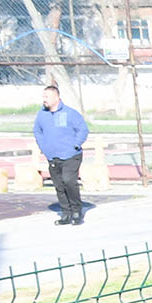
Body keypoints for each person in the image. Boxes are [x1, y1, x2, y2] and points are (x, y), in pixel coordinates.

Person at [33, 84, 90, 226]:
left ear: (57, 97)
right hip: (52, 156)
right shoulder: (41, 115)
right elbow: (37, 131)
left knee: (69, 181)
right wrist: (44, 147)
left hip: (71, 155)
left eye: (47, 96)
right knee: (59, 185)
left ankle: (76, 211)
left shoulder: (70, 113)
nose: (44, 99)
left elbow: (82, 129)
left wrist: (75, 144)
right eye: (43, 96)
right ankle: (66, 213)